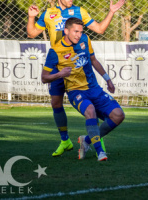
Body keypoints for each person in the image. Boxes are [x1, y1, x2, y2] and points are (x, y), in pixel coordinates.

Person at [26, 0, 125, 157]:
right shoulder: (49, 13)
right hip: (58, 65)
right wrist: (32, 17)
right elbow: (32, 33)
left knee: (94, 107)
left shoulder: (80, 12)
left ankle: (94, 138)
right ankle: (65, 141)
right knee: (56, 103)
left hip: (78, 66)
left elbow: (100, 29)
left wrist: (111, 12)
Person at [41, 17, 125, 161]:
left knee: (118, 115)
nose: (78, 35)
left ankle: (86, 141)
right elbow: (44, 77)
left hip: (94, 89)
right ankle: (100, 153)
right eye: (75, 31)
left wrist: (108, 80)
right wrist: (60, 74)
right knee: (90, 110)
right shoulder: (55, 51)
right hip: (76, 92)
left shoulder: (85, 40)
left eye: (81, 31)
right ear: (66, 31)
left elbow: (93, 60)